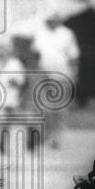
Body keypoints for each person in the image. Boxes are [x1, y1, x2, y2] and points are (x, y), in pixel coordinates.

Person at [31, 12, 79, 150]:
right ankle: (44, 134)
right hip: (43, 75)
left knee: (59, 109)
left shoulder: (67, 34)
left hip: (62, 75)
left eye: (52, 19)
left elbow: (74, 55)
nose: (50, 21)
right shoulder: (40, 33)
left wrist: (74, 74)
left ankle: (56, 137)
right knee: (43, 108)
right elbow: (35, 53)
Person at [0, 40, 26, 153]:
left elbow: (21, 81)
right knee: (1, 119)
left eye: (2, 49)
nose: (0, 52)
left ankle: (1, 141)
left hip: (12, 96)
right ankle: (0, 141)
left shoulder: (15, 63)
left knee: (7, 121)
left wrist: (14, 81)